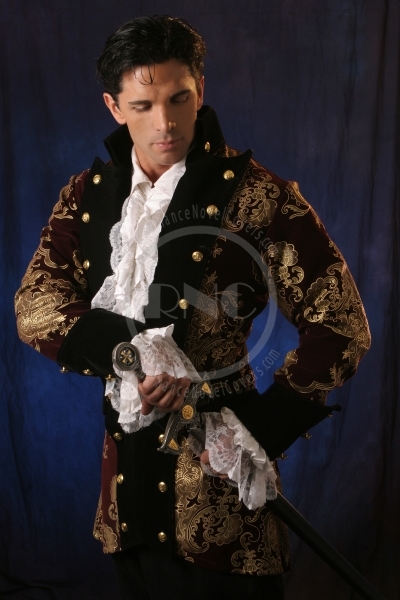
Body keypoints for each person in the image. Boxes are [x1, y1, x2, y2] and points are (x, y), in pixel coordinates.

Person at [14, 15, 371, 600]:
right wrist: (129, 349)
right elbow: (36, 304)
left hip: (220, 490)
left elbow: (341, 324)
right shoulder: (87, 197)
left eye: (179, 98)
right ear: (114, 107)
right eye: (143, 105)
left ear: (200, 89)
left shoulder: (257, 196)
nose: (166, 122)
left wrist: (262, 430)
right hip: (126, 497)